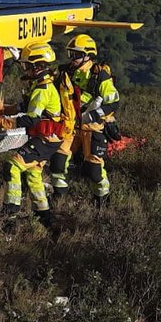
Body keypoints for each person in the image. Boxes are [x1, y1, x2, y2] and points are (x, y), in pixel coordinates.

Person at [53, 34, 120, 208]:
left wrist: (95, 114)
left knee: (94, 171)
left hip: (92, 127)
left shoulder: (100, 76)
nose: (72, 59)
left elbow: (113, 102)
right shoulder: (65, 72)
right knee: (58, 162)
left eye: (76, 55)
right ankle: (59, 200)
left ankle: (102, 200)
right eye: (71, 54)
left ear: (87, 55)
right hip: (71, 126)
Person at [3, 43, 64, 229]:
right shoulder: (40, 85)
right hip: (48, 140)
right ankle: (45, 218)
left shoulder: (42, 90)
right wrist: (1, 109)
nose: (25, 69)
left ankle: (10, 213)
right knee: (33, 175)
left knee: (13, 165)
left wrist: (4, 123)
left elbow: (31, 120)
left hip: (45, 140)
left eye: (27, 65)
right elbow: (23, 106)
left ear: (37, 66)